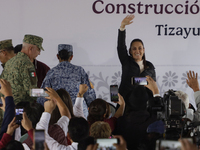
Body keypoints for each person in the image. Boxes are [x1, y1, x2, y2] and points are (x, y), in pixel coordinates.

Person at [37, 44, 96, 117]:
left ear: (58, 56)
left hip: (58, 113)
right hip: (79, 115)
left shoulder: (51, 72)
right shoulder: (80, 71)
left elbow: (42, 96)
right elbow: (89, 94)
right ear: (71, 57)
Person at [117, 15, 156, 100]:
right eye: (134, 49)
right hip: (126, 104)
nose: (137, 51)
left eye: (140, 48)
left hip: (144, 105)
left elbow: (153, 87)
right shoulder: (126, 62)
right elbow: (121, 47)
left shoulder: (150, 67)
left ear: (144, 50)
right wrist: (122, 27)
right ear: (130, 51)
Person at [0, 34, 44, 104]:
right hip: (21, 109)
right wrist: (48, 94)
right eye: (38, 50)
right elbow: (31, 91)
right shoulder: (27, 64)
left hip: (8, 107)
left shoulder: (9, 62)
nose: (39, 53)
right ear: (31, 49)